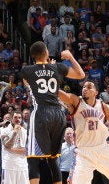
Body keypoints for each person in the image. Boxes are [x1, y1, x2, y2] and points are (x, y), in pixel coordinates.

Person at [20, 42, 85, 184]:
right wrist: (70, 58)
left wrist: (46, 68)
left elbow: (28, 84)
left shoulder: (26, 70)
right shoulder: (58, 68)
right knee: (53, 157)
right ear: (47, 53)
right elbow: (81, 74)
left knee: (32, 158)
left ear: (32, 56)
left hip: (41, 113)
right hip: (59, 114)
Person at [1, 111, 29, 184]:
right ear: (11, 119)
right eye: (15, 117)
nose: (18, 119)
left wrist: (11, 150)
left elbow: (26, 151)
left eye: (19, 118)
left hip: (22, 165)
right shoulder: (4, 131)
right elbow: (7, 145)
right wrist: (14, 132)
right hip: (9, 165)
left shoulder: (25, 132)